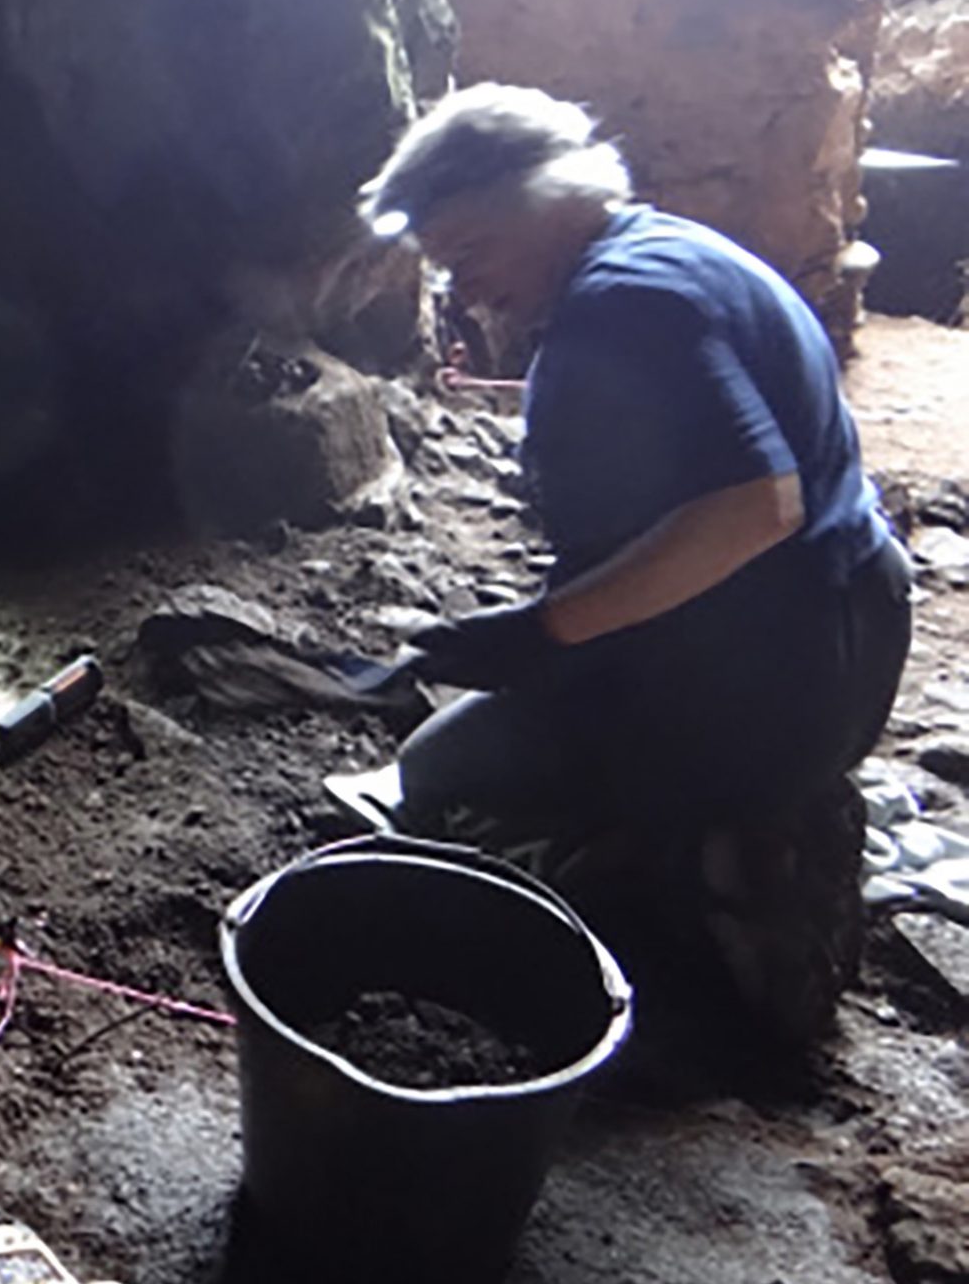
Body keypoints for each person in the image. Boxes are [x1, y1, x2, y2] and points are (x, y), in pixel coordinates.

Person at [355, 85, 911, 840]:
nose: (467, 288)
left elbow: (760, 504)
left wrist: (545, 630)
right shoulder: (661, 251)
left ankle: (700, 842)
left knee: (440, 776)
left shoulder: (626, 301)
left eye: (470, 254)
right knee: (458, 750)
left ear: (547, 199)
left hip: (794, 673)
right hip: (825, 625)